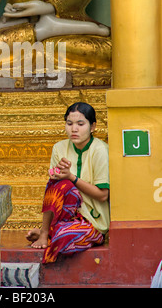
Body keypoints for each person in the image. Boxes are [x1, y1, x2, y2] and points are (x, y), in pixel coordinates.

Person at [26, 101, 110, 264]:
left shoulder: (100, 150)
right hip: (66, 217)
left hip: (92, 222)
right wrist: (60, 176)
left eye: (80, 124)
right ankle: (45, 233)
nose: (74, 129)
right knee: (57, 183)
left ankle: (53, 234)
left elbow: (102, 195)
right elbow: (53, 189)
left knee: (64, 239)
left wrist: (72, 177)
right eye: (69, 123)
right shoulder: (59, 148)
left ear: (92, 127)